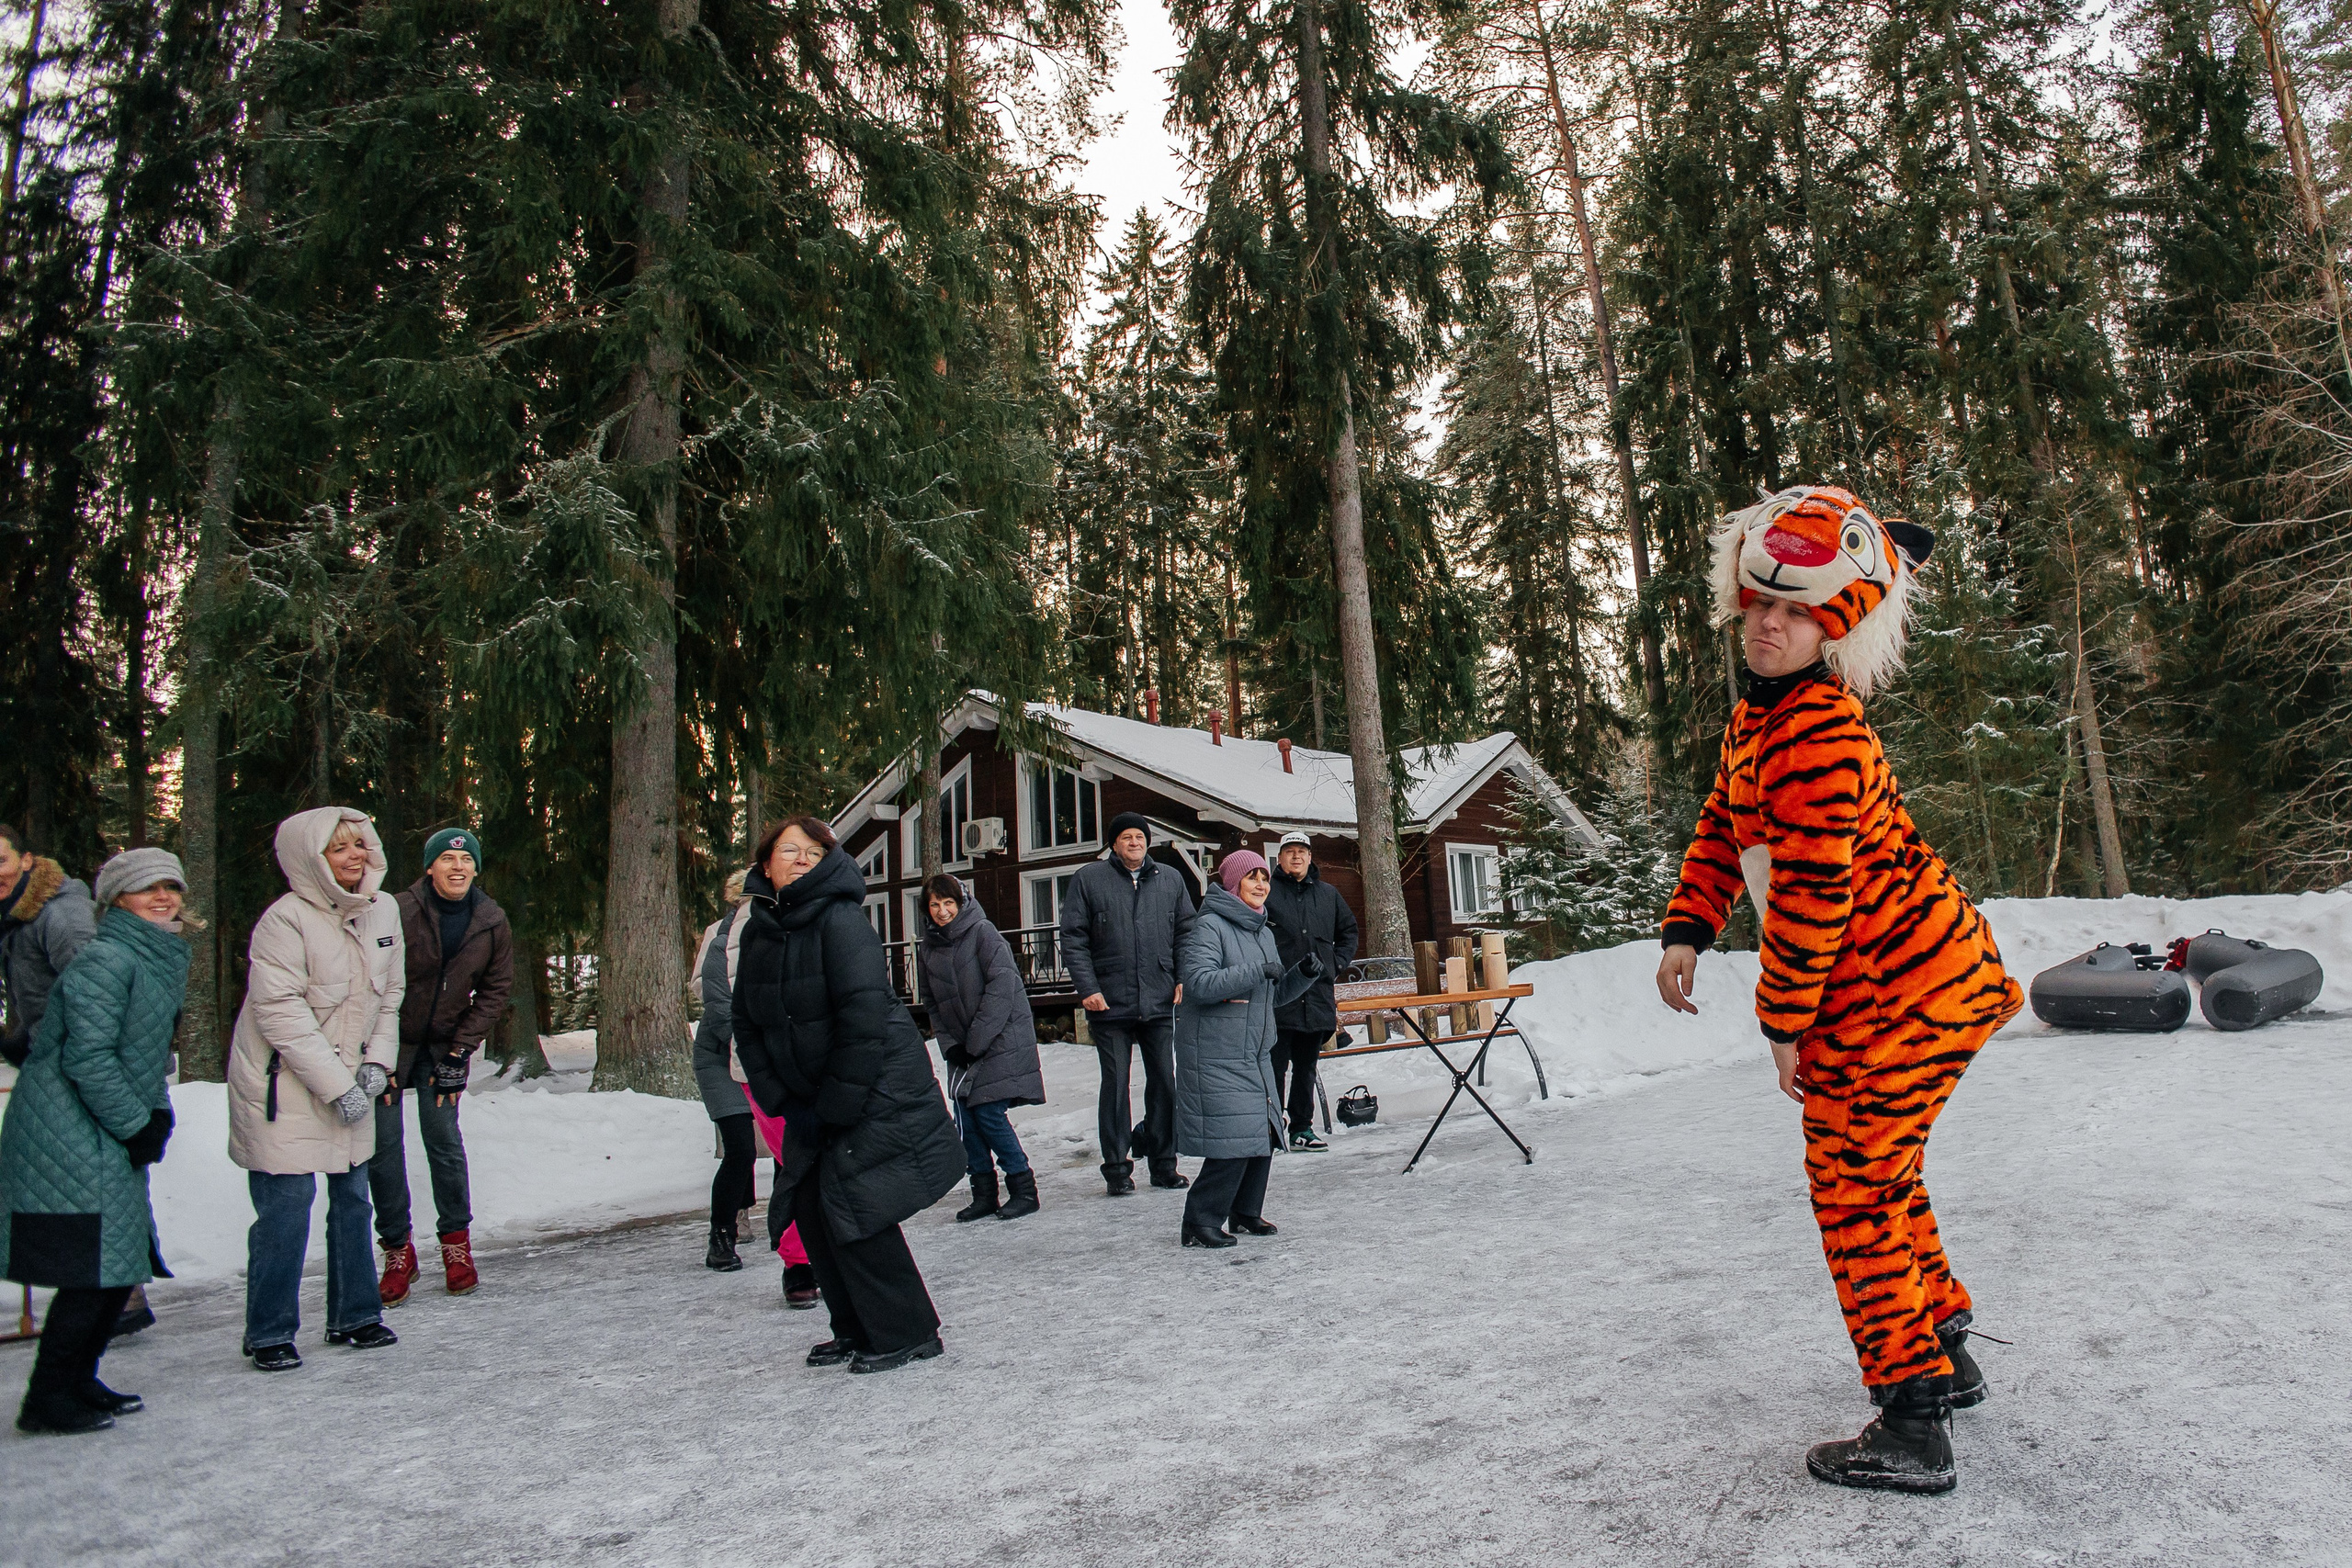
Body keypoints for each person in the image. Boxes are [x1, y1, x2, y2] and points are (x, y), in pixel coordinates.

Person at [1653, 485, 2022, 1495]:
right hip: (1912, 983)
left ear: (1836, 623)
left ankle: (1910, 1421)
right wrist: (1690, 922)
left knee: (1852, 1187)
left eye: (1797, 612)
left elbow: (1815, 894)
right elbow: (1724, 827)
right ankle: (1943, 1348)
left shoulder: (1819, 732)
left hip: (1902, 993)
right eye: (1759, 604)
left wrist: (1784, 1025)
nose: (1769, 624)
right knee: (1882, 1168)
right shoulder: (1757, 720)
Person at [731, 817, 966, 1374]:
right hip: (807, 1100)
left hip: (867, 1090)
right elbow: (745, 1019)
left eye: (813, 852)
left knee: (858, 1208)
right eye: (790, 850)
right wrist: (780, 1097)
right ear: (766, 863)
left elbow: (864, 1020)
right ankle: (856, 1328)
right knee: (813, 1212)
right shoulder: (760, 928)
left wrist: (832, 1105)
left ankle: (910, 1331)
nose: (801, 859)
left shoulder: (840, 921)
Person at [0, 850, 189, 1434]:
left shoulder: (151, 956)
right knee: (95, 1269)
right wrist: (137, 1125)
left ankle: (77, 1378)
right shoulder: (107, 959)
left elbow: (140, 1055)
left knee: (115, 1265)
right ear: (115, 901)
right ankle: (47, 1399)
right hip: (67, 1125)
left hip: (99, 1120)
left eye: (171, 886)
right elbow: (88, 1056)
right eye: (146, 888)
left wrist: (152, 1114)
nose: (163, 897)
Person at [228, 807, 406, 1371]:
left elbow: (391, 994)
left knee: (353, 1198)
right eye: (339, 849)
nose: (355, 856)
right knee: (287, 1206)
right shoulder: (285, 921)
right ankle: (269, 1330)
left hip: (352, 1079)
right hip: (284, 1084)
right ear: (312, 859)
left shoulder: (384, 910)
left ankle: (356, 1313)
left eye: (359, 844)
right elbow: (278, 1012)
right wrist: (336, 1085)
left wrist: (376, 1065)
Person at [0, 827, 155, 1341]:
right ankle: (117, 1296)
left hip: (87, 1069)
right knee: (84, 1183)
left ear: (25, 860)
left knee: (98, 1183)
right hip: (63, 1063)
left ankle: (117, 1297)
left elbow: (101, 989)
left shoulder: (60, 914)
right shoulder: (20, 914)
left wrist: (84, 1055)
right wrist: (23, 1040)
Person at [374, 826, 511, 1306]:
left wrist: (460, 1052)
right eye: (448, 860)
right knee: (383, 1147)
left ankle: (456, 1247)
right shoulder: (394, 909)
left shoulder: (491, 920)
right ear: (430, 867)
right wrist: (376, 1054)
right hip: (390, 1045)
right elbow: (371, 980)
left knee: (444, 1144)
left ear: (476, 867)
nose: (458, 868)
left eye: (466, 860)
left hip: (442, 1049)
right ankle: (397, 1250)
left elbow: (495, 991)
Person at [1172, 850, 1317, 1249]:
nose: (1261, 885)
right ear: (1234, 883)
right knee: (1233, 1140)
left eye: (1264, 878)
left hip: (1253, 1051)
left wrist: (1301, 977)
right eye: (1252, 878)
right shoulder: (1210, 927)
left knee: (1263, 1134)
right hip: (1215, 1052)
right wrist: (1256, 971)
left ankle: (1245, 1211)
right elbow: (1200, 984)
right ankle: (1199, 1221)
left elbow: (1270, 995)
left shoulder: (1262, 931)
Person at [690, 869, 820, 1308]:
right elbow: (711, 996)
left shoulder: (793, 924)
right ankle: (723, 1234)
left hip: (764, 1055)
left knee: (790, 1155)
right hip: (722, 1056)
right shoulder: (723, 935)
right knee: (741, 1148)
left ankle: (793, 1245)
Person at [1060, 811, 1194, 1195]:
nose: (1134, 843)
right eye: (1126, 837)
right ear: (1113, 844)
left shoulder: (1169, 879)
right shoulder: (1089, 879)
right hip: (1109, 1001)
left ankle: (1164, 1164)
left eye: (1140, 836)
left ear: (1147, 842)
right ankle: (1117, 1169)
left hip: (1158, 995)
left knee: (1164, 1084)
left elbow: (1186, 931)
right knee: (1116, 1084)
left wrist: (1182, 976)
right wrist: (1088, 987)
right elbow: (1073, 937)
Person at [918, 874, 1045, 1224]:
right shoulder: (927, 946)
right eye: (935, 904)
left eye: (948, 903)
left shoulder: (983, 933)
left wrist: (975, 1043)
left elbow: (1002, 989)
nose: (943, 911)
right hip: (963, 1047)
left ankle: (1024, 1189)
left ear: (960, 903)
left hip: (1001, 1038)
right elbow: (931, 1003)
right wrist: (950, 1046)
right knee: (966, 1118)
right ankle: (984, 1193)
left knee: (988, 1112)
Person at [1262, 830, 1358, 1151]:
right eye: (1289, 851)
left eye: (1302, 851)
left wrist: (1335, 964)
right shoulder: (1267, 892)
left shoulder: (1328, 894)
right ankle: (1272, 1128)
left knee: (1306, 1067)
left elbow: (1348, 932)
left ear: (1310, 857)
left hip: (1316, 997)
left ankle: (1302, 1128)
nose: (1296, 857)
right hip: (1278, 998)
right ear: (1280, 858)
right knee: (1274, 1066)